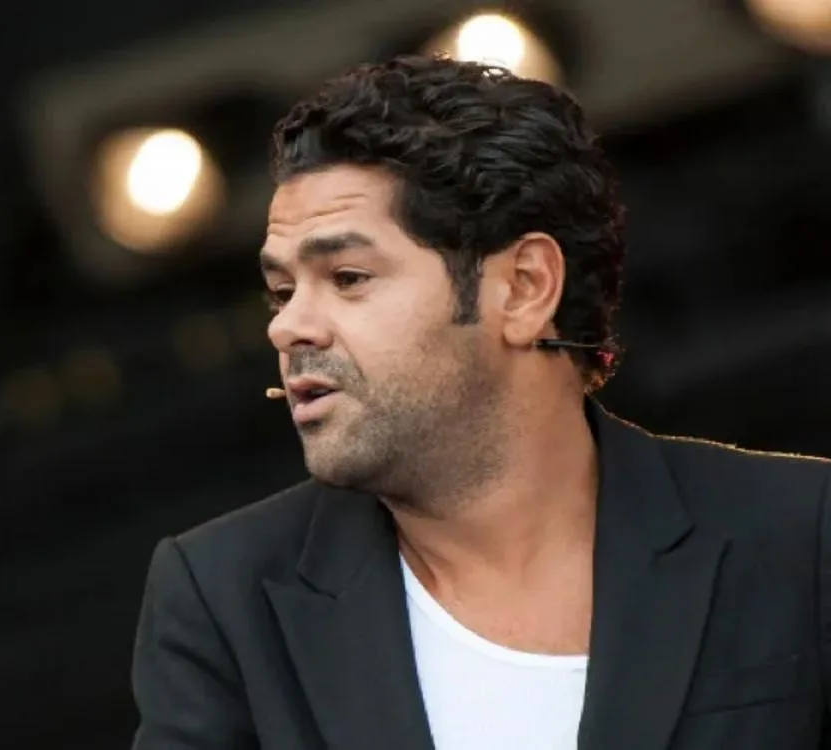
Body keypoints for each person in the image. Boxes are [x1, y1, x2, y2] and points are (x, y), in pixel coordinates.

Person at [129, 55, 831, 750]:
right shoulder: (226, 599)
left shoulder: (799, 534)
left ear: (524, 288)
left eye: (347, 277)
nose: (287, 327)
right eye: (282, 292)